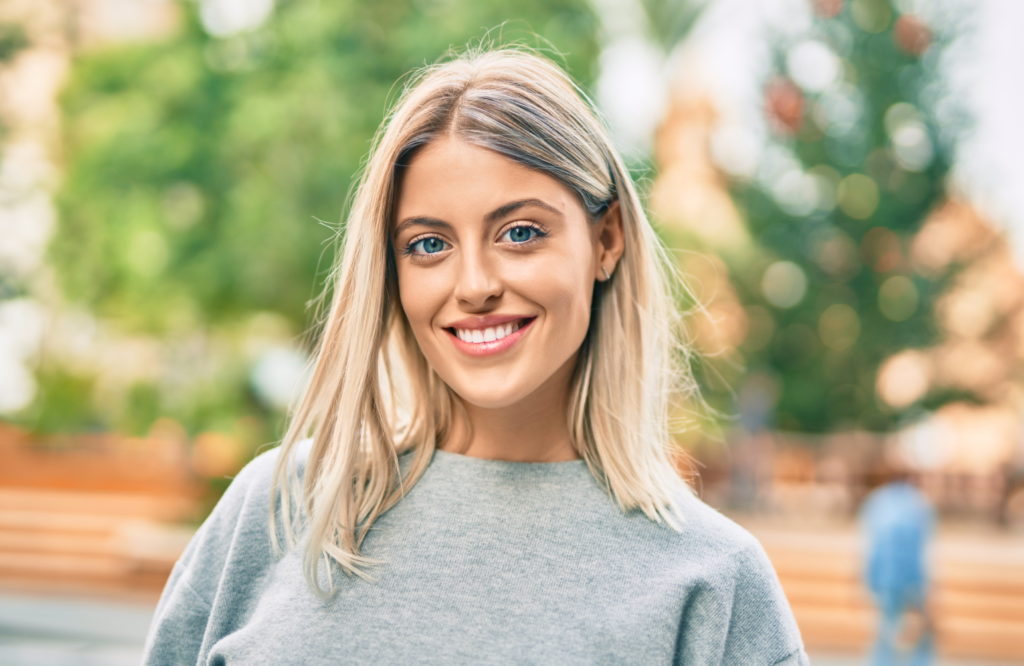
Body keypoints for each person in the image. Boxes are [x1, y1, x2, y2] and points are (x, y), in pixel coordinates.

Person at [142, 48, 808, 665]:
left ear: (606, 240)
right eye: (429, 245)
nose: (475, 285)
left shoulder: (714, 582)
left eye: (519, 233)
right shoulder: (276, 507)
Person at [860, 469, 935, 665]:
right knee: (920, 637)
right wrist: (931, 588)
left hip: (883, 579)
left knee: (885, 632)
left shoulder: (877, 501)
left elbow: (866, 544)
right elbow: (928, 550)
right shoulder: (919, 502)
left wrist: (864, 581)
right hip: (913, 579)